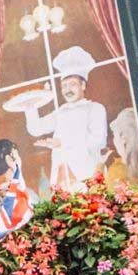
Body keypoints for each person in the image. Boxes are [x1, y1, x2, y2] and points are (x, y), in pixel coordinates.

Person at [22, 45, 110, 192]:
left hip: (86, 172)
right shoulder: (61, 112)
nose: (68, 90)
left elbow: (98, 141)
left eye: (73, 85)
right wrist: (30, 106)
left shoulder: (95, 108)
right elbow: (35, 129)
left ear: (83, 85)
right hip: (62, 176)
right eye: (64, 86)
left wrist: (61, 144)